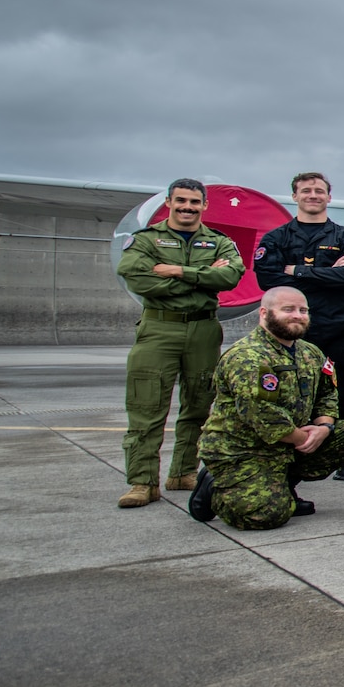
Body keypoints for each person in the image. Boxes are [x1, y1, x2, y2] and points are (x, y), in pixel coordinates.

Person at [188, 286, 344, 530]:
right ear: (264, 313)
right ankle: (217, 485)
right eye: (288, 309)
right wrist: (304, 438)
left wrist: (324, 427)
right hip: (244, 450)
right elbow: (265, 417)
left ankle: (280, 486)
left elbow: (327, 394)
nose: (298, 315)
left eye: (303, 310)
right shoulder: (247, 356)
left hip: (290, 443)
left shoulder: (310, 353)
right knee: (267, 515)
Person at [115, 178, 246, 506]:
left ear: (204, 205)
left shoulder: (219, 241)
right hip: (159, 328)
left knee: (199, 405)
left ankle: (183, 471)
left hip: (202, 330)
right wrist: (202, 275)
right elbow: (138, 278)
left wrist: (176, 271)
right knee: (147, 407)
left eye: (194, 202)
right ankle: (143, 482)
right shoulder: (147, 239)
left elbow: (231, 276)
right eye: (181, 201)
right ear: (170, 203)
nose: (187, 207)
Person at [254, 172, 344, 468]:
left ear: (329, 197)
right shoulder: (276, 238)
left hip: (338, 330)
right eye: (306, 191)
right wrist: (328, 274)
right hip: (291, 334)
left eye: (319, 191)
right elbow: (268, 278)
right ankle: (290, 454)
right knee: (289, 393)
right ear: (295, 196)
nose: (313, 195)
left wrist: (296, 272)